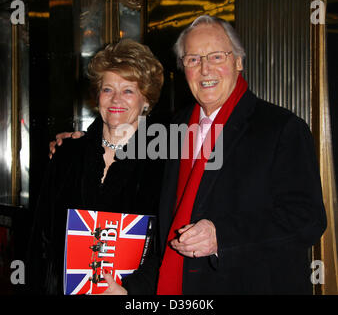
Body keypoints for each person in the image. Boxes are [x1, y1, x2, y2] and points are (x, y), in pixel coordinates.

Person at [51, 15, 327, 295]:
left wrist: (222, 237)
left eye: (217, 56)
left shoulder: (281, 127)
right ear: (183, 68)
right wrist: (80, 143)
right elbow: (123, 142)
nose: (205, 69)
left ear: (239, 62)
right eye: (193, 59)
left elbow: (307, 219)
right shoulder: (173, 130)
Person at [26, 38, 164, 295]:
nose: (115, 100)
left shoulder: (163, 164)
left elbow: (166, 249)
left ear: (145, 100)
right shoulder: (67, 153)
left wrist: (131, 292)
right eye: (107, 89)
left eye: (128, 90)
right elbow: (41, 240)